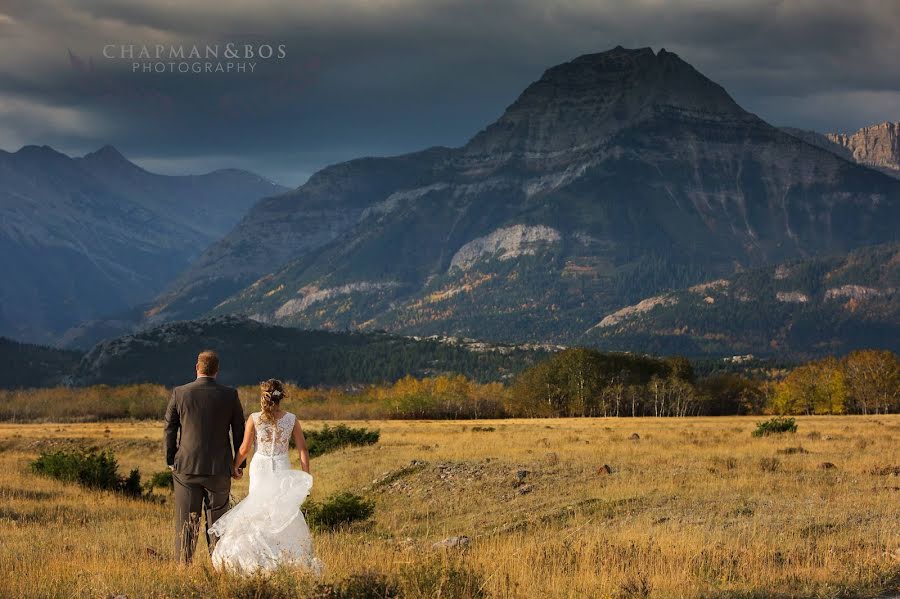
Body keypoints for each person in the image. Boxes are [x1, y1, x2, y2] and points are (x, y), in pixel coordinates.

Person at [208, 379, 322, 574]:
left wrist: (236, 467)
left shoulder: (254, 418)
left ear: (264, 396)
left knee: (258, 509)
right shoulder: (292, 419)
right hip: (281, 466)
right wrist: (306, 475)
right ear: (281, 397)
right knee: (280, 509)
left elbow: (244, 449)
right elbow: (303, 449)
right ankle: (283, 555)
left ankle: (255, 557)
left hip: (260, 467)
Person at [164, 350, 245, 563]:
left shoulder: (179, 393)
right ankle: (220, 567)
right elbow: (239, 431)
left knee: (186, 523)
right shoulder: (230, 394)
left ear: (197, 368)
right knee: (218, 523)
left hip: (186, 467)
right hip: (219, 468)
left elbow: (170, 428)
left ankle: (184, 569)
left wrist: (171, 459)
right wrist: (239, 464)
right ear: (217, 371)